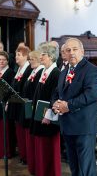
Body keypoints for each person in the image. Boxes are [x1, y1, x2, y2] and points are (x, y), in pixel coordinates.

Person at [53, 38, 97, 176]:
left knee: (86, 167)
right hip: (67, 124)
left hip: (84, 125)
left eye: (75, 49)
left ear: (82, 51)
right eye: (68, 50)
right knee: (74, 165)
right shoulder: (64, 71)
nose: (71, 53)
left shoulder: (91, 70)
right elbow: (57, 92)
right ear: (65, 53)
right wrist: (55, 104)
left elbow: (91, 94)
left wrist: (68, 105)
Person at [30, 42, 61, 176]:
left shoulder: (56, 73)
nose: (40, 57)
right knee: (41, 148)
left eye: (43, 55)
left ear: (51, 56)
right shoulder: (44, 71)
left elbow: (55, 96)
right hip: (39, 115)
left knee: (49, 149)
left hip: (48, 117)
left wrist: (49, 114)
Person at [7, 46, 32, 164]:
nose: (16, 57)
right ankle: (23, 155)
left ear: (26, 56)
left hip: (23, 106)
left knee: (24, 132)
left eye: (19, 55)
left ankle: (27, 157)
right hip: (16, 105)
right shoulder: (19, 69)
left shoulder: (28, 70)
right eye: (16, 54)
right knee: (19, 132)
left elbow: (25, 89)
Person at [23, 50, 44, 174]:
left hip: (33, 106)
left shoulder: (40, 71)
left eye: (32, 58)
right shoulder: (33, 71)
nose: (30, 61)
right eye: (29, 58)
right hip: (29, 105)